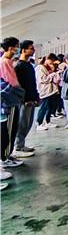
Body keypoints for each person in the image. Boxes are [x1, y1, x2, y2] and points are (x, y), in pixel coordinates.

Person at [0, 37, 25, 172]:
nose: (18, 49)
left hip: (12, 99)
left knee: (12, 128)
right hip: (10, 101)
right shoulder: (4, 62)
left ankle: (7, 154)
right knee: (9, 130)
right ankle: (4, 158)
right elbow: (13, 83)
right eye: (17, 46)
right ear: (10, 48)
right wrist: (21, 93)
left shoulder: (8, 62)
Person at [13, 40, 38, 156]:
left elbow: (32, 83)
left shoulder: (29, 65)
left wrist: (36, 96)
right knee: (21, 124)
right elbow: (18, 85)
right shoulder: (18, 66)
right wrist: (24, 99)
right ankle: (18, 147)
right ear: (23, 50)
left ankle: (21, 144)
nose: (33, 50)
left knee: (28, 123)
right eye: (31, 48)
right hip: (24, 100)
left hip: (31, 99)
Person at [35, 54, 61, 130]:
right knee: (44, 107)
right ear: (46, 59)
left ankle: (48, 121)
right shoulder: (40, 68)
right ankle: (39, 123)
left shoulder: (48, 67)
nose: (52, 62)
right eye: (51, 61)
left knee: (50, 107)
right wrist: (51, 75)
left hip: (51, 90)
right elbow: (42, 79)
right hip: (45, 90)